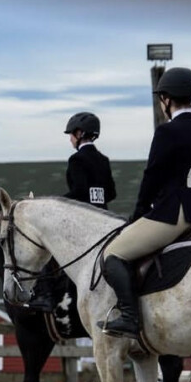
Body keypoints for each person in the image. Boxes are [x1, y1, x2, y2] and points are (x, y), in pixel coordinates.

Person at [97, 67, 191, 339]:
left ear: (166, 98)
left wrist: (138, 214)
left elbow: (152, 176)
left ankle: (129, 318)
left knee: (112, 255)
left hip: (175, 213)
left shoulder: (167, 132)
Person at [27, 112, 117, 312]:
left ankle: (46, 295)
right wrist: (97, 198)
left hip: (83, 222)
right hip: (104, 220)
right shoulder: (103, 160)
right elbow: (111, 192)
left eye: (71, 135)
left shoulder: (76, 160)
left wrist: (53, 202)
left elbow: (79, 192)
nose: (70, 139)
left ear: (79, 133)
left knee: (47, 245)